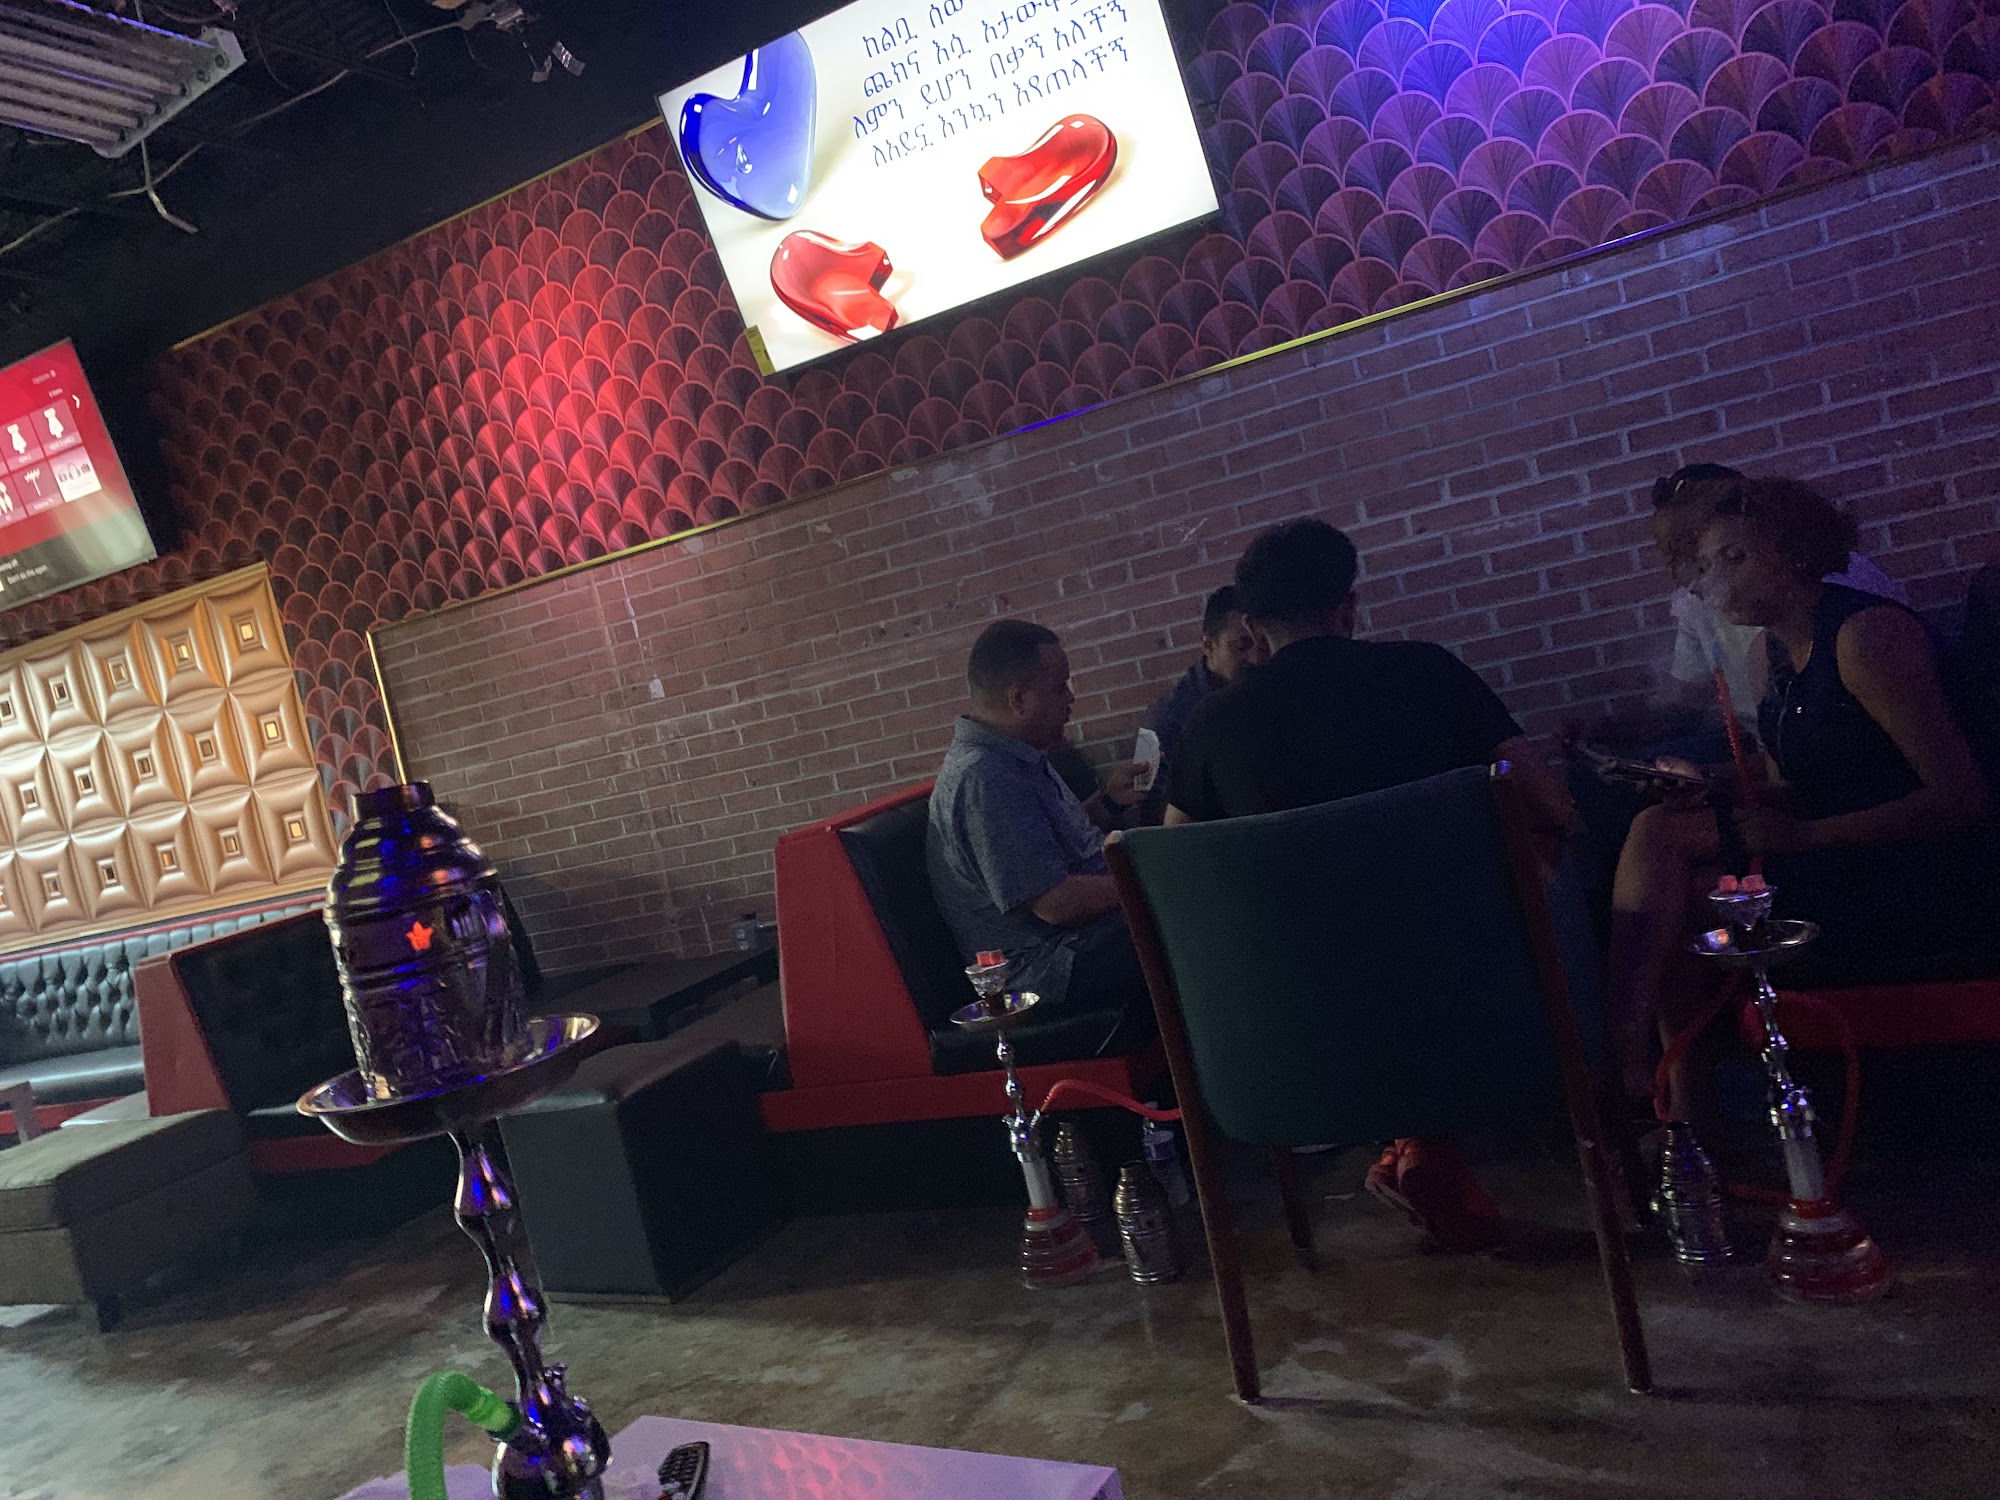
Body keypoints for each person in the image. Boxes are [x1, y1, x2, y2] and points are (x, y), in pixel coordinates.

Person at [1165, 518, 1577, 1252]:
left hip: (1294, 1040)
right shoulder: (1431, 673)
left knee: (1345, 947)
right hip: (1482, 1017)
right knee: (1546, 882)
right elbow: (1553, 806)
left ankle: (1415, 1148)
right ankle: (1622, 1112)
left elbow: (1173, 877)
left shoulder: (1211, 727)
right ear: (1349, 608)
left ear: (1252, 628)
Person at [1607, 479, 1994, 1112]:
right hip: (1835, 854)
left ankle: (1637, 1063)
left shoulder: (1866, 639)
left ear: (1792, 552)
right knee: (1667, 843)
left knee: (1677, 871)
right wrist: (1708, 782)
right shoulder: (1771, 652)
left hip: (1919, 870)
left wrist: (1805, 836)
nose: (1710, 582)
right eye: (1708, 565)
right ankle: (1676, 1102)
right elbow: (1790, 769)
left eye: (1735, 558)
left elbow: (1961, 799)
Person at [925, 620, 1157, 1060]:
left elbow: (1046, 844)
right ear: (1018, 699)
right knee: (1190, 916)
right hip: (1043, 968)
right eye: (1059, 686)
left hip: (1072, 942)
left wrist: (1109, 801)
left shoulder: (1016, 751)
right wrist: (1153, 879)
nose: (1070, 698)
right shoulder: (986, 776)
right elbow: (1055, 903)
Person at [1131, 585, 1262, 823]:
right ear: (1208, 646)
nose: (1255, 657)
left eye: (1261, 644)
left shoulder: (1259, 690)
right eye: (1241, 646)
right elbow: (1152, 812)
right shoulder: (1165, 718)